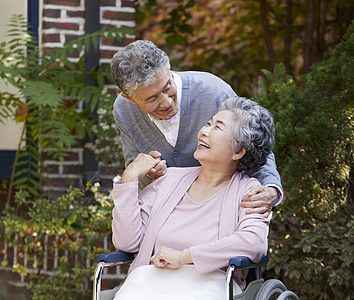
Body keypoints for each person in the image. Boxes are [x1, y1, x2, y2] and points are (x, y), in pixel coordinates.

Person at [111, 97, 274, 299]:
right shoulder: (169, 179)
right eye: (208, 123)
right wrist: (130, 178)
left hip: (209, 284)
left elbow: (253, 243)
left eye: (218, 128)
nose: (205, 131)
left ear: (238, 151)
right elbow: (127, 243)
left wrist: (184, 257)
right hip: (148, 282)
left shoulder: (249, 191)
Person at [111, 40, 283, 215]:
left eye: (167, 87)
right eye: (152, 99)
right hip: (166, 215)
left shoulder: (214, 91)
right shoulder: (124, 110)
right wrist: (150, 172)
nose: (166, 102)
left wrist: (271, 188)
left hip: (222, 208)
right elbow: (134, 164)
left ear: (169, 71)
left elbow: (254, 143)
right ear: (130, 98)